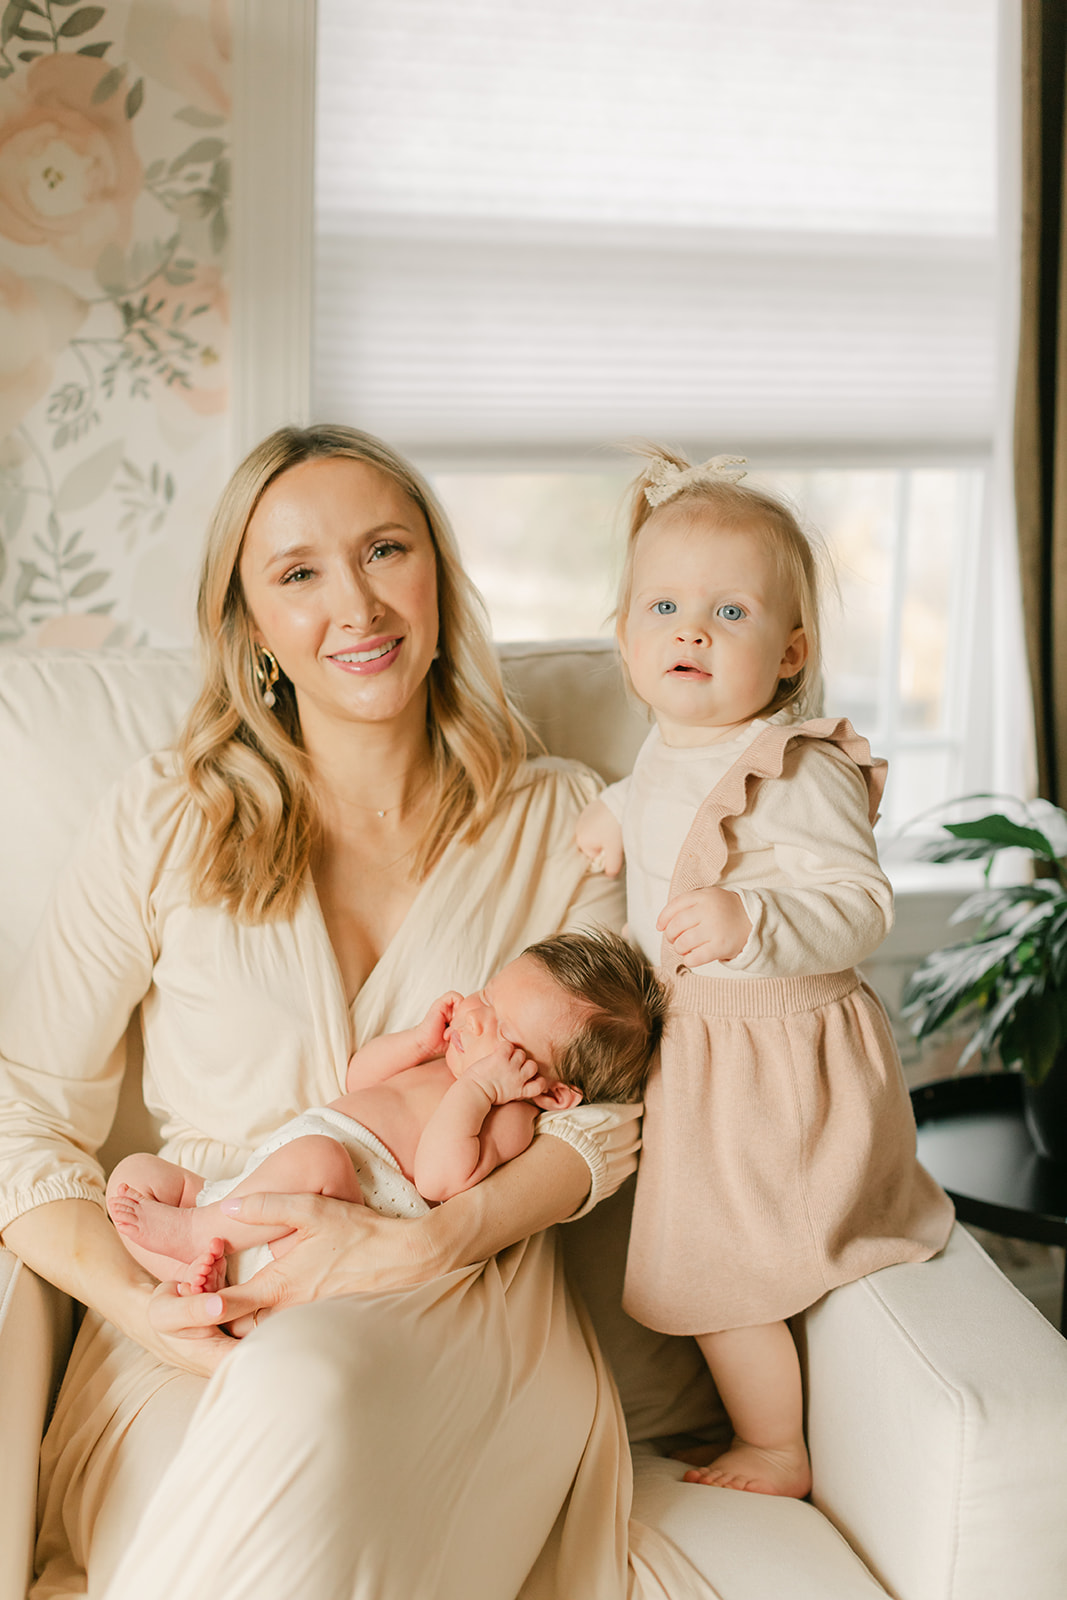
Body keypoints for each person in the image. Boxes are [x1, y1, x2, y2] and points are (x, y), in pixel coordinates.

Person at [0, 425, 682, 1600]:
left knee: (309, 1386)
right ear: (250, 624)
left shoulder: (565, 819)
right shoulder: (166, 819)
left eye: (384, 549)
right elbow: (21, 1116)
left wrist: (424, 1237)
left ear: (436, 575)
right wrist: (145, 1305)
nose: (356, 603)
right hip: (206, 1293)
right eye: (298, 572)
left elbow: (602, 1121)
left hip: (460, 1291)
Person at [576, 447, 955, 1501]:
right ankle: (765, 1425)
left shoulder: (799, 767)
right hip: (693, 1053)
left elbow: (859, 905)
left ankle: (775, 1445)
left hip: (774, 1058)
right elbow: (660, 790)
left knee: (711, 1266)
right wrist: (612, 812)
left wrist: (753, 918)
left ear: (789, 654)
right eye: (662, 605)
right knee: (697, 1256)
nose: (689, 629)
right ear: (623, 641)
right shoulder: (663, 745)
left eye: (729, 612)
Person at [105, 931, 665, 1292]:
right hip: (252, 1193)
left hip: (325, 1217)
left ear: (554, 1093)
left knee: (320, 1157)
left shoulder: (511, 1115)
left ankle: (198, 1234)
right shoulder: (448, 1060)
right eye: (488, 995)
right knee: (134, 1176)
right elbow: (357, 1080)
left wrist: (479, 1092)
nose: (473, 1016)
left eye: (505, 1030)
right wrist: (420, 1043)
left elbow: (443, 1177)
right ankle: (194, 1268)